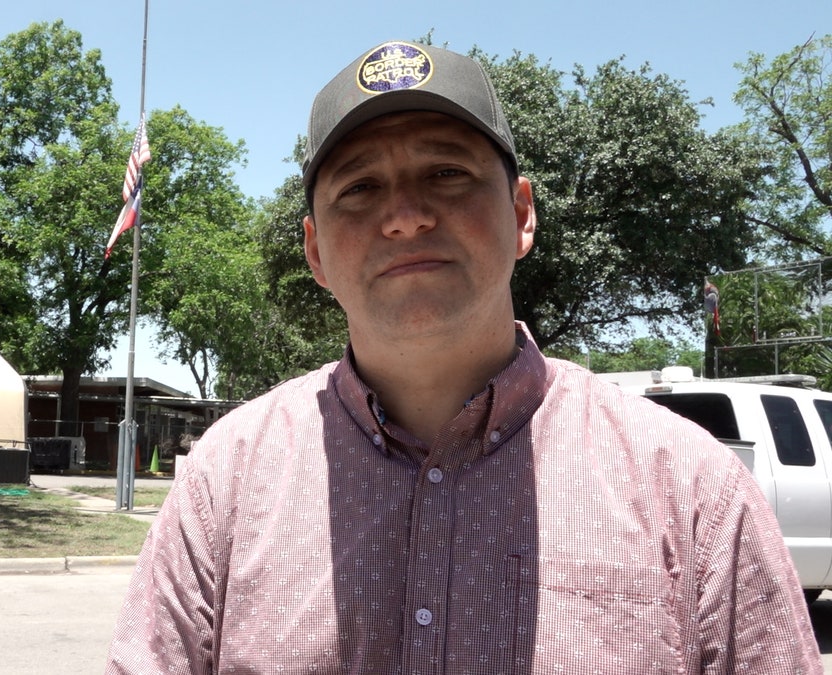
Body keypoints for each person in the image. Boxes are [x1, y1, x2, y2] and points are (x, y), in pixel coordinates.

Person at [106, 40, 821, 673]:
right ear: (316, 251)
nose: (406, 214)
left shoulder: (694, 493)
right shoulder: (222, 487)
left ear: (521, 215)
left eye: (447, 173)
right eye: (359, 187)